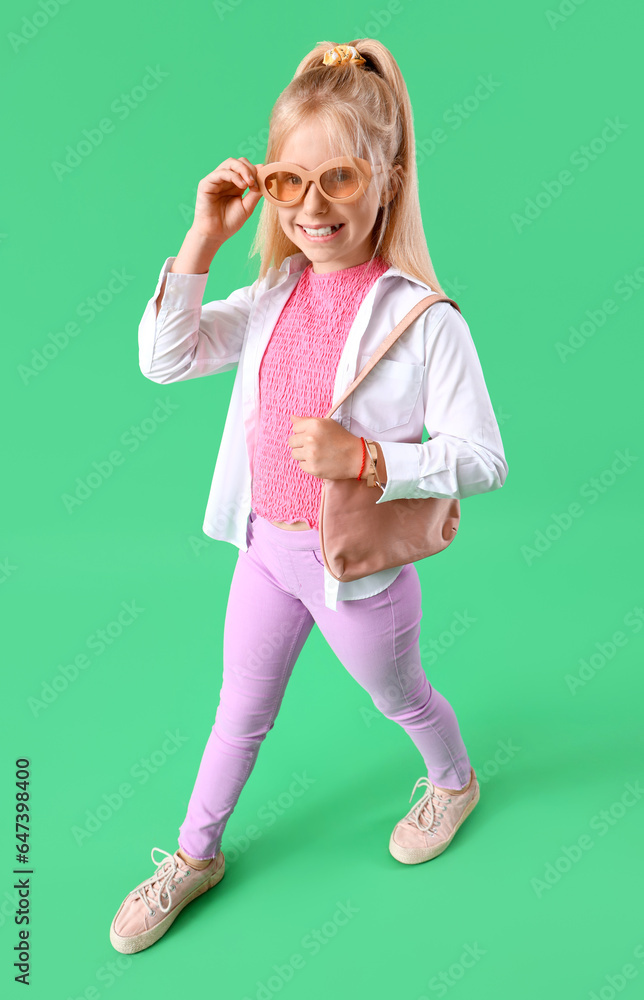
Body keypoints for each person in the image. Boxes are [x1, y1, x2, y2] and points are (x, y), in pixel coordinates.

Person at [110, 40, 508, 955]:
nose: (314, 208)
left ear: (388, 177)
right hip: (263, 549)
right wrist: (202, 237)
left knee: (401, 696)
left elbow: (483, 459)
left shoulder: (423, 319)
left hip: (350, 570)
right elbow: (166, 358)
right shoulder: (274, 293)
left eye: (338, 178)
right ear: (271, 188)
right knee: (237, 712)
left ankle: (453, 781)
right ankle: (194, 853)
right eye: (291, 183)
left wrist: (369, 460)